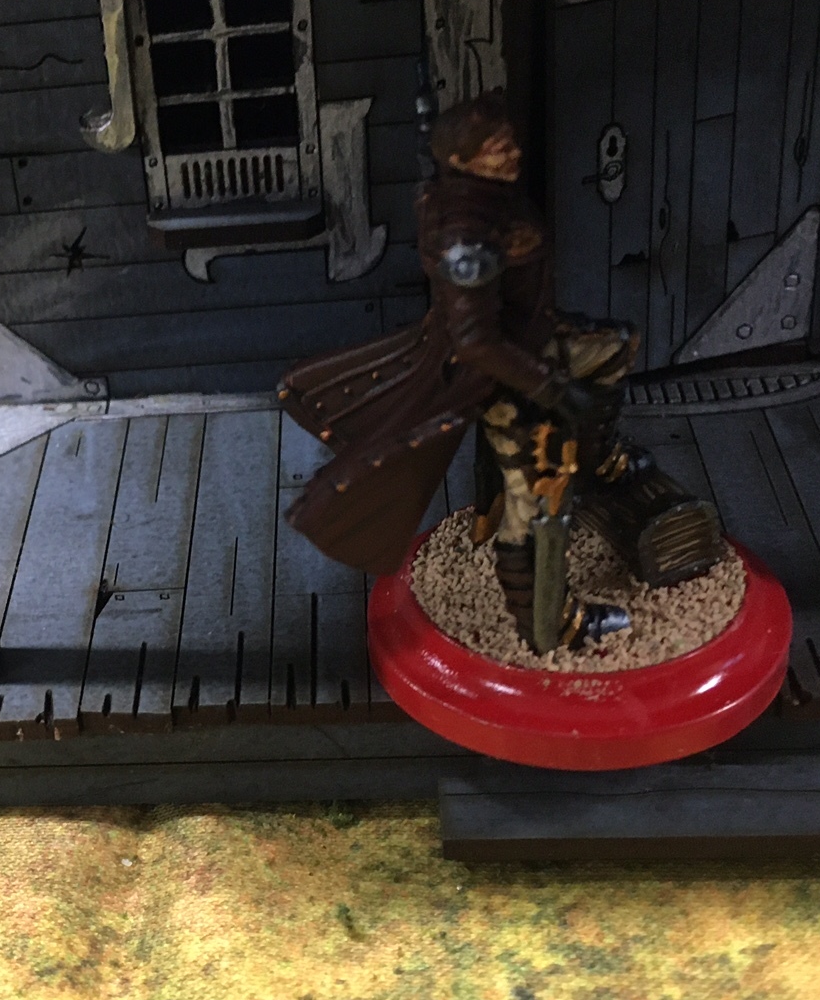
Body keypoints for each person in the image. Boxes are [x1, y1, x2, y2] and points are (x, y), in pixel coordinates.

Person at [278, 90, 720, 653]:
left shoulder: (486, 197)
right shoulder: (465, 234)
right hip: (498, 378)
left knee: (613, 347)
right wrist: (555, 389)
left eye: (510, 142)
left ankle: (597, 460)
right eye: (496, 148)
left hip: (531, 338)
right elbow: (475, 341)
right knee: (535, 505)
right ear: (461, 160)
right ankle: (554, 627)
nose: (512, 153)